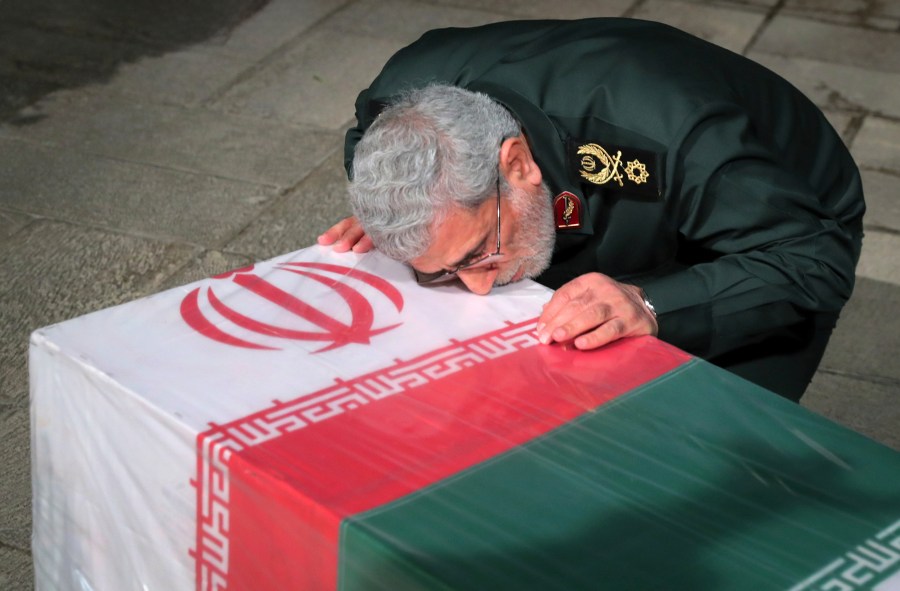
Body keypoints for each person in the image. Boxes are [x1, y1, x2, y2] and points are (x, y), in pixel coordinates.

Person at [318, 18, 865, 402]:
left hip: (773, 223)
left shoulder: (678, 138)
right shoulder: (398, 96)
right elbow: (364, 142)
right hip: (580, 182)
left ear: (516, 166)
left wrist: (650, 304)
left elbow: (816, 260)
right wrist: (406, 225)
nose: (478, 287)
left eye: (478, 254)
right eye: (446, 268)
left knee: (711, 457)